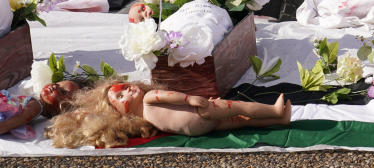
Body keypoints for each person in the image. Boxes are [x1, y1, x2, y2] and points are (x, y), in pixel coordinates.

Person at [46, 79, 291, 148]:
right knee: (237, 108)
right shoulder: (151, 98)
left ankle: (279, 119)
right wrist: (194, 100)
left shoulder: (145, 119)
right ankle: (273, 110)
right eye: (120, 98)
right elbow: (175, 97)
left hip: (195, 131)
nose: (127, 92)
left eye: (123, 89)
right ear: (119, 113)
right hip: (202, 114)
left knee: (240, 123)